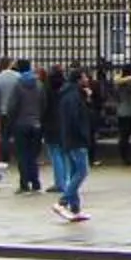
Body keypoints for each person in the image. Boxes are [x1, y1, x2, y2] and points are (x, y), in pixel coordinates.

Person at [48, 66, 95, 222]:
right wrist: (83, 135)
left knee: (74, 172)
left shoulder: (67, 94)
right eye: (85, 77)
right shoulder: (74, 96)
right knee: (82, 172)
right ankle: (62, 201)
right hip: (76, 139)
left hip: (68, 139)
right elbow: (77, 118)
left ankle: (75, 209)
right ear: (79, 79)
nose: (87, 80)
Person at [7, 60, 49, 195]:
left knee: (22, 155)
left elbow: (12, 106)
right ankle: (36, 182)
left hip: (21, 124)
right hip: (36, 123)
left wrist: (12, 121)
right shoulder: (39, 84)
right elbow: (44, 104)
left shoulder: (17, 85)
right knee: (33, 155)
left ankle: (24, 183)